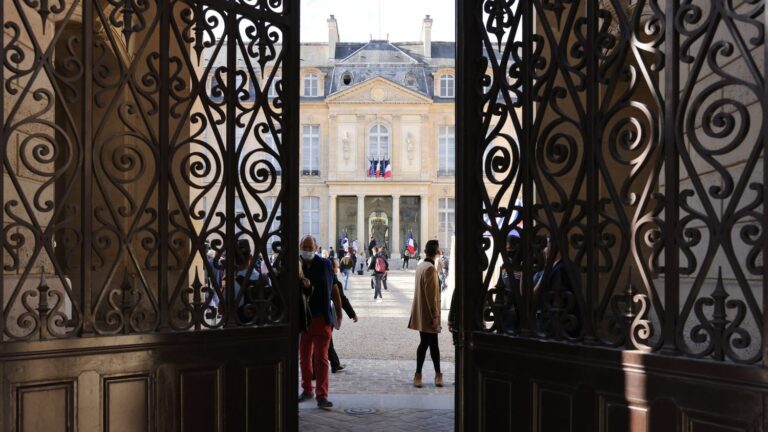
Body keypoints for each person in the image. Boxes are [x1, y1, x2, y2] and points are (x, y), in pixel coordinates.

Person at [298, 235, 335, 409]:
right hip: (303, 319)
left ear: (316, 248)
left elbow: (326, 290)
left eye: (310, 247)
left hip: (320, 318)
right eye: (304, 247)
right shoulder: (296, 263)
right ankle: (307, 389)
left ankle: (322, 394)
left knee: (321, 358)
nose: (307, 250)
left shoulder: (325, 264)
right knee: (304, 358)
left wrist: (308, 285)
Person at [407, 239, 443, 388]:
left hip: (422, 312)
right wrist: (435, 316)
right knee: (425, 344)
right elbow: (430, 295)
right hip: (429, 314)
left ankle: (437, 374)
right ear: (437, 252)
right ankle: (419, 374)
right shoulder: (429, 268)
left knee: (433, 344)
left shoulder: (421, 265)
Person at [328, 259, 358, 373]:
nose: (337, 269)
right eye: (336, 267)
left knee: (326, 341)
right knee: (326, 340)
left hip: (320, 314)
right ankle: (333, 365)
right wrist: (352, 314)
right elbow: (342, 300)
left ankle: (335, 364)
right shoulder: (334, 281)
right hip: (328, 314)